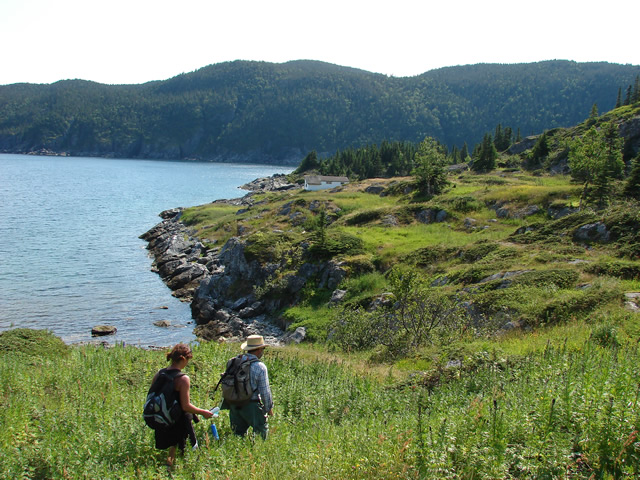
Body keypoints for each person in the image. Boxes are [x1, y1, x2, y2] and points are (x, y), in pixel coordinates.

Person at [151, 343, 213, 468]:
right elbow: (185, 406)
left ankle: (170, 466)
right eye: (188, 360)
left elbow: (153, 394)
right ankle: (186, 471)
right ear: (183, 359)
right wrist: (203, 412)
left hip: (163, 417)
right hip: (178, 420)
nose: (188, 363)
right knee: (188, 448)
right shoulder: (183, 378)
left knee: (173, 445)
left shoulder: (159, 373)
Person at [224, 335, 274, 439]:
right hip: (251, 404)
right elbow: (265, 391)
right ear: (259, 350)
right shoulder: (260, 367)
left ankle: (239, 453)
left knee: (238, 436)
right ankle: (257, 453)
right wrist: (268, 408)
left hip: (234, 404)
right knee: (261, 434)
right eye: (263, 349)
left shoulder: (233, 362)